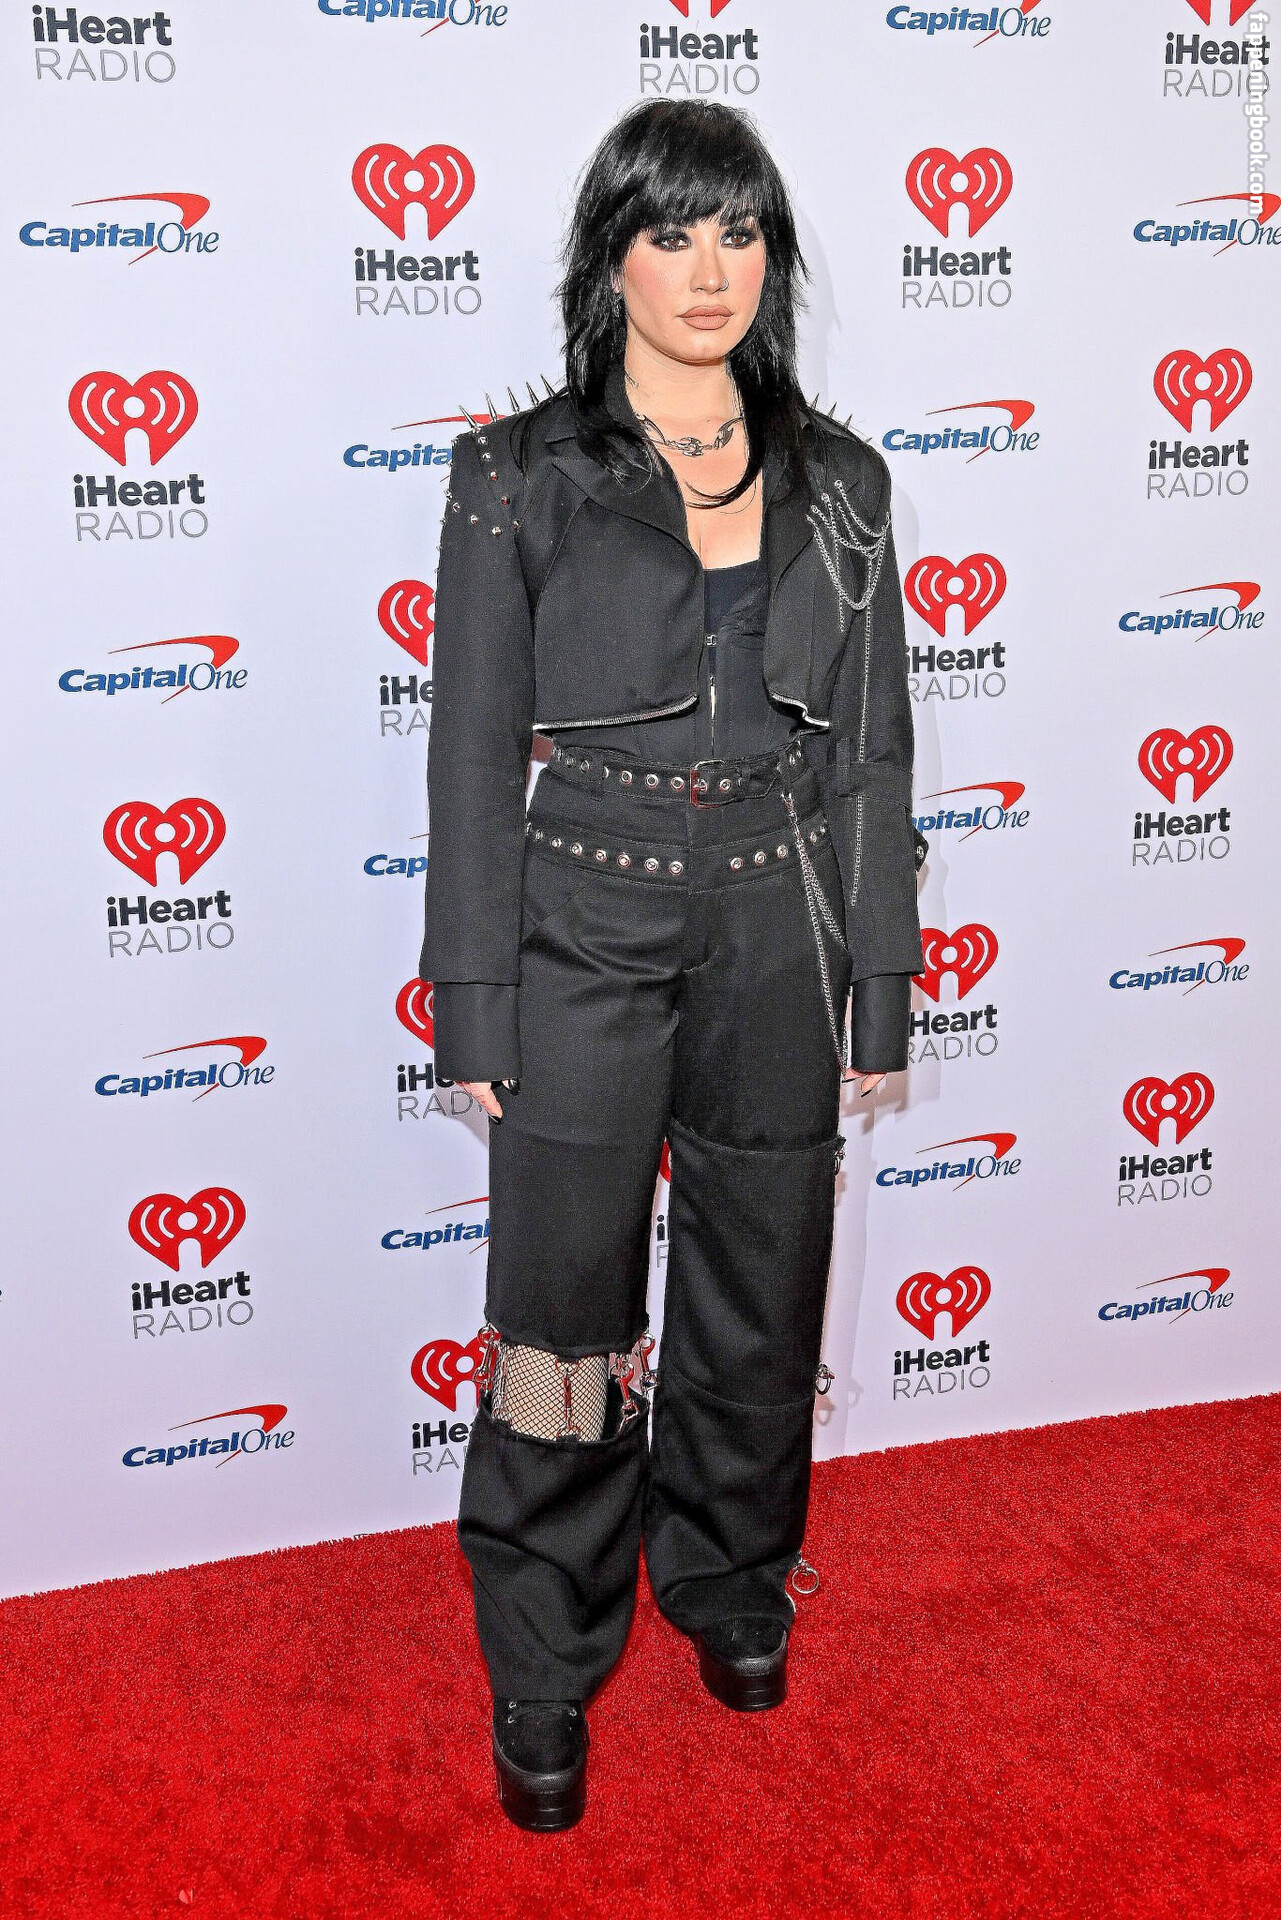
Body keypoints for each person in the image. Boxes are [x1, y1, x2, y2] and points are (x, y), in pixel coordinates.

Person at [419, 98, 925, 1832]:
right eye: (670, 233)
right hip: (583, 907)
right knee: (560, 1317)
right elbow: (471, 751)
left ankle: (728, 1573)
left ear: (771, 259)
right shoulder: (515, 474)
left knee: (761, 1284)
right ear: (610, 258)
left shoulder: (844, 481)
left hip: (781, 913)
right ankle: (542, 1655)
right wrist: (474, 999)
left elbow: (871, 755)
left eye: (739, 233)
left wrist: (878, 984)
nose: (709, 271)